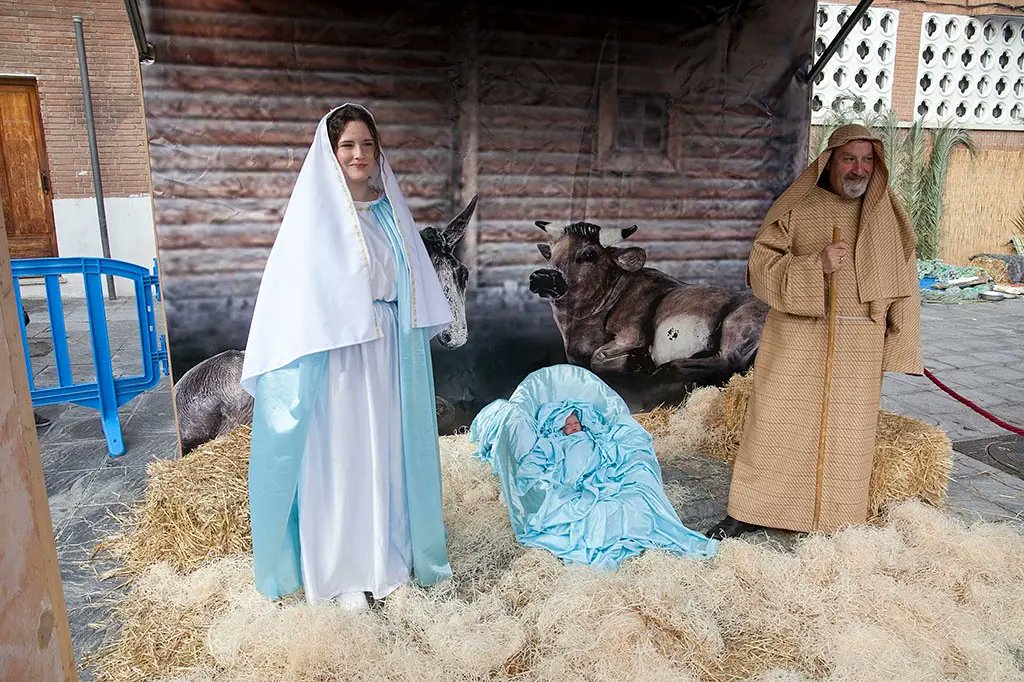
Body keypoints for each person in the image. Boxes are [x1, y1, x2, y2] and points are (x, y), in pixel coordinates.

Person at [239, 104, 454, 610]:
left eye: (367, 145)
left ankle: (389, 560)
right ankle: (341, 576)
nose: (359, 155)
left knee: (384, 456)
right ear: (331, 154)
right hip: (336, 365)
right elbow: (292, 301)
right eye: (347, 146)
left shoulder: (388, 212)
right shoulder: (311, 220)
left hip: (385, 358)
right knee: (341, 460)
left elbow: (410, 285)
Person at [706, 124, 922, 539]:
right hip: (798, 340)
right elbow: (761, 268)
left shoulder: (887, 214)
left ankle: (834, 520)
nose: (859, 169)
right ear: (829, 162)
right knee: (775, 425)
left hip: (860, 347)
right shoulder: (799, 208)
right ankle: (749, 511)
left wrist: (901, 344)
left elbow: (905, 281)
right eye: (849, 159)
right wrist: (814, 267)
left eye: (867, 159)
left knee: (847, 435)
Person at [471, 364, 718, 570]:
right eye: (565, 426)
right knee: (567, 484)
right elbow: (536, 461)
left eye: (574, 423)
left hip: (597, 467)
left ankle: (615, 513)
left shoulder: (594, 433)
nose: (572, 428)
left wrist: (597, 451)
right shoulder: (550, 442)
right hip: (569, 473)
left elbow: (608, 441)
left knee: (626, 481)